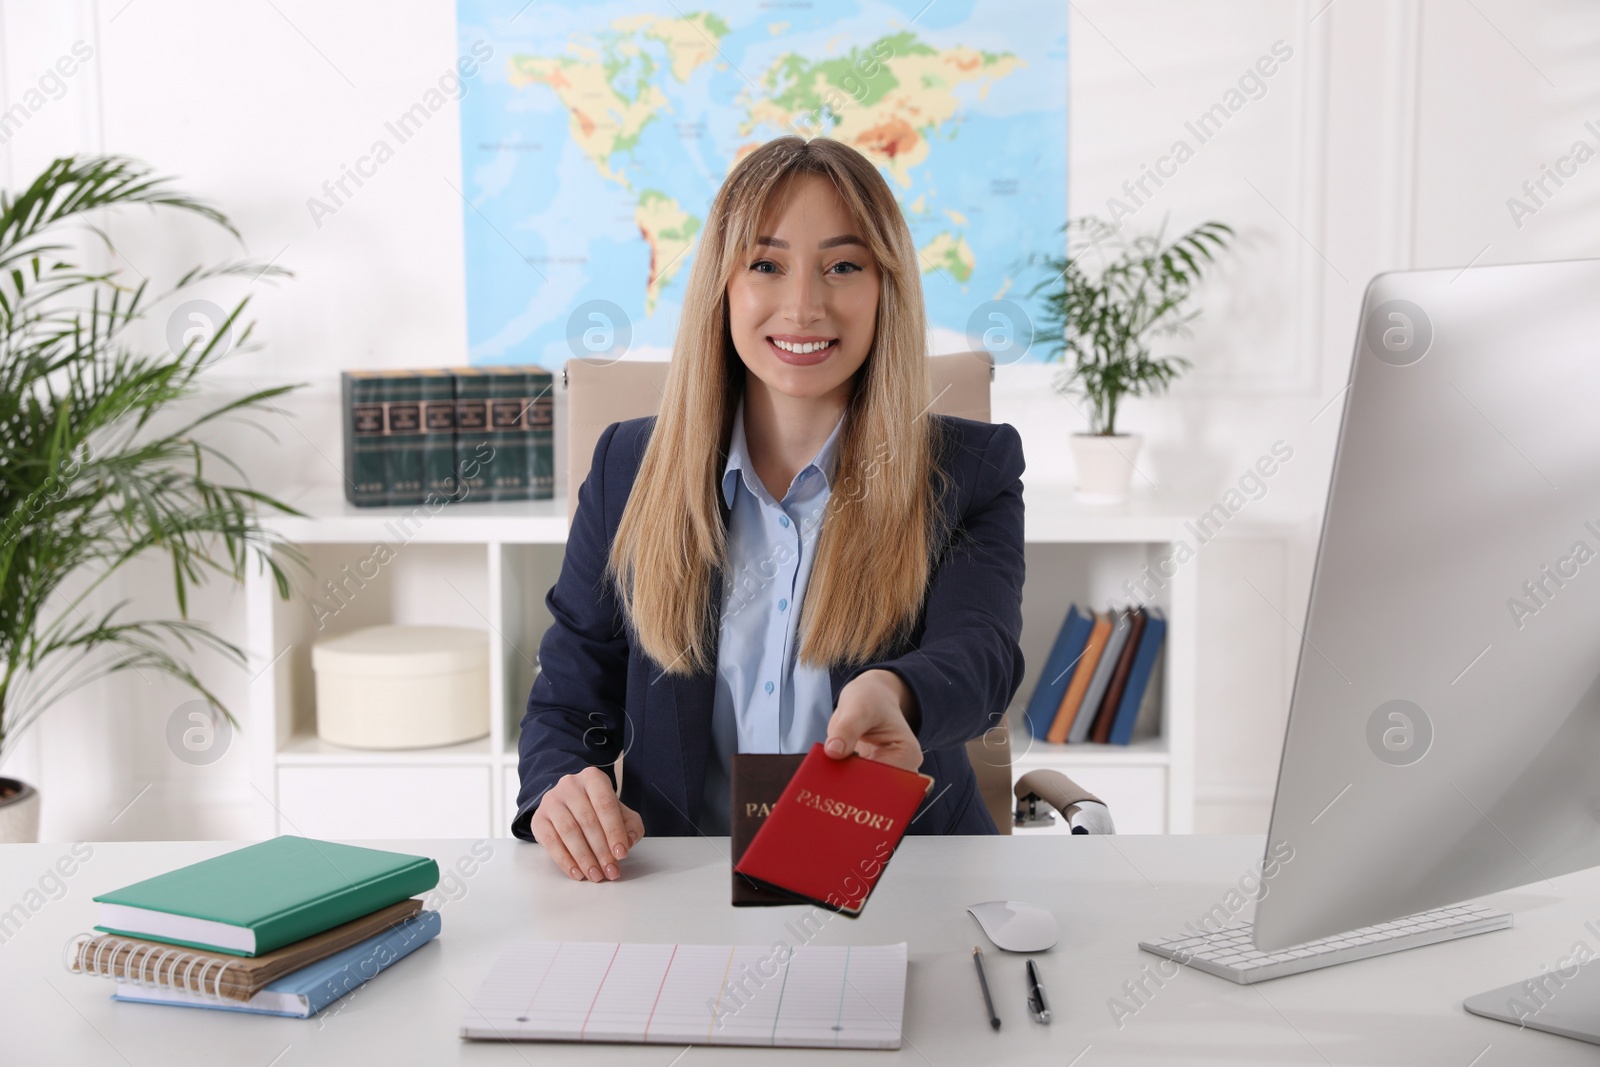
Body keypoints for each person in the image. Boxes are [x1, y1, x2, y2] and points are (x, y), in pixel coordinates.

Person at [511, 135, 1026, 883]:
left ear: (887, 287)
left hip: (901, 879)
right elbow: (567, 698)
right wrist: (560, 786)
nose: (804, 305)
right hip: (678, 888)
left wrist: (898, 693)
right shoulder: (628, 468)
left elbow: (981, 654)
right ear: (723, 286)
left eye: (843, 266)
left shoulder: (968, 470)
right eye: (767, 264)